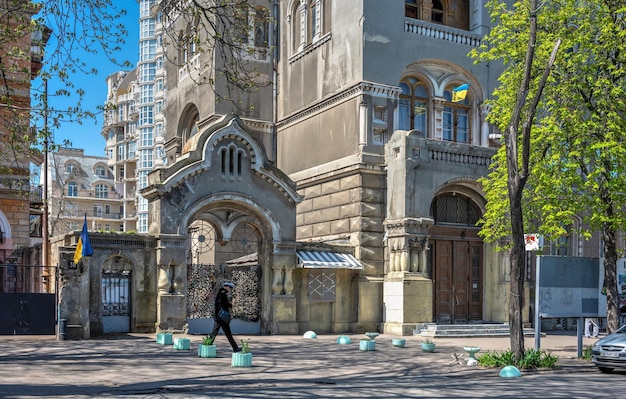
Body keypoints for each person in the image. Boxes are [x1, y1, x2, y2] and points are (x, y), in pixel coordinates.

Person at [209, 281, 241, 352]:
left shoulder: (220, 292)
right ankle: (235, 348)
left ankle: (208, 344)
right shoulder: (223, 293)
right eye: (230, 288)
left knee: (215, 332)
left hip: (218, 316)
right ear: (227, 287)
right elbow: (223, 304)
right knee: (227, 333)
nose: (231, 290)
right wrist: (231, 305)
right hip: (221, 317)